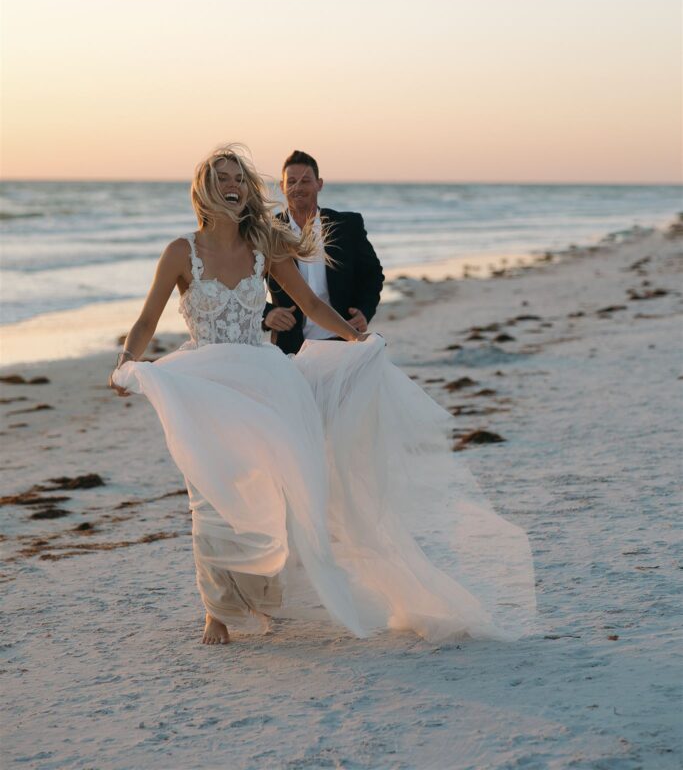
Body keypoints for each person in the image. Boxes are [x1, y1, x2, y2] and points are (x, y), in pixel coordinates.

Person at [111, 144, 535, 647]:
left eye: (239, 178)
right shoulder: (181, 252)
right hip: (203, 382)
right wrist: (125, 363)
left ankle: (259, 598)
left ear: (247, 189)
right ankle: (217, 612)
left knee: (267, 491)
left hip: (263, 382)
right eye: (222, 177)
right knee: (208, 497)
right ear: (204, 189)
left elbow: (310, 301)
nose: (232, 184)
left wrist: (358, 340)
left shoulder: (263, 247)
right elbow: (146, 320)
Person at [263, 150, 384, 354]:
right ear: (282, 186)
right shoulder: (268, 232)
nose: (298, 188)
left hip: (343, 340)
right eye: (291, 181)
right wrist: (267, 315)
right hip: (290, 346)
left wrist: (364, 311)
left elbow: (372, 275)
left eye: (305, 181)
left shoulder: (347, 225)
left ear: (319, 183)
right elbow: (242, 283)